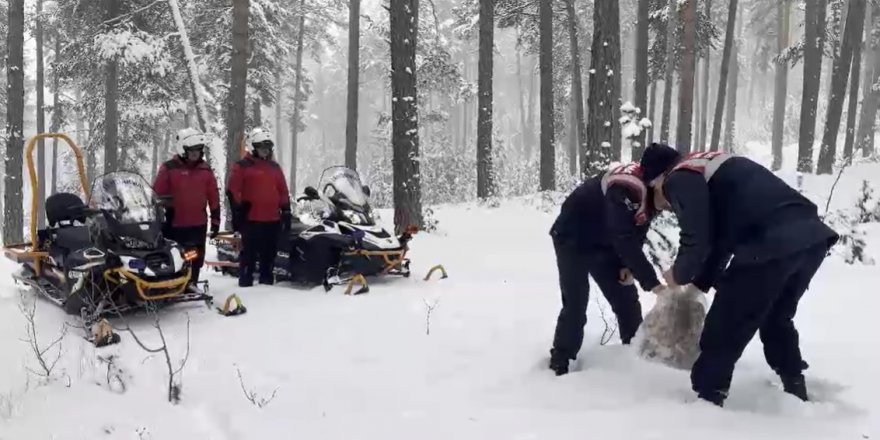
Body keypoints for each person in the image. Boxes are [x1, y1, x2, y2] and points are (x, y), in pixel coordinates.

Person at [638, 143, 839, 407]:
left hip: (770, 242)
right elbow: (719, 240)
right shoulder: (711, 166)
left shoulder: (679, 176)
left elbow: (696, 237)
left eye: (654, 194)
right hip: (811, 239)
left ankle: (707, 401)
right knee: (776, 317)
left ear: (658, 179)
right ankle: (794, 386)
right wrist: (699, 284)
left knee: (725, 324)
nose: (663, 207)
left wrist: (679, 273)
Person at [548, 162, 666, 376]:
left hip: (605, 241)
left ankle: (636, 356)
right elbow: (622, 235)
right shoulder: (625, 188)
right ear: (657, 181)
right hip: (572, 237)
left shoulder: (652, 193)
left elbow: (638, 228)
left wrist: (627, 266)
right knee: (576, 303)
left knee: (626, 299)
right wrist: (654, 284)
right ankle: (560, 362)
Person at [152, 127, 220, 289]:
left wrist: (216, 219)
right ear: (183, 150)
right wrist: (161, 210)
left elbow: (213, 196)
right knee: (176, 256)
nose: (196, 154)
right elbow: (156, 194)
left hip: (198, 223)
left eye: (198, 150)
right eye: (192, 150)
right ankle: (171, 284)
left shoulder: (205, 169)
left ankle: (192, 282)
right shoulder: (169, 168)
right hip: (175, 223)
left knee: (195, 256)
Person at [226, 127, 292, 287]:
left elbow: (282, 190)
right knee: (249, 254)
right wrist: (238, 208)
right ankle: (246, 283)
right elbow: (233, 189)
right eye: (262, 147)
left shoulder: (274, 167)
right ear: (254, 147)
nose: (265, 151)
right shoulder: (242, 166)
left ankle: (266, 283)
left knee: (269, 255)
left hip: (272, 219)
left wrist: (286, 210)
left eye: (268, 148)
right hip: (251, 218)